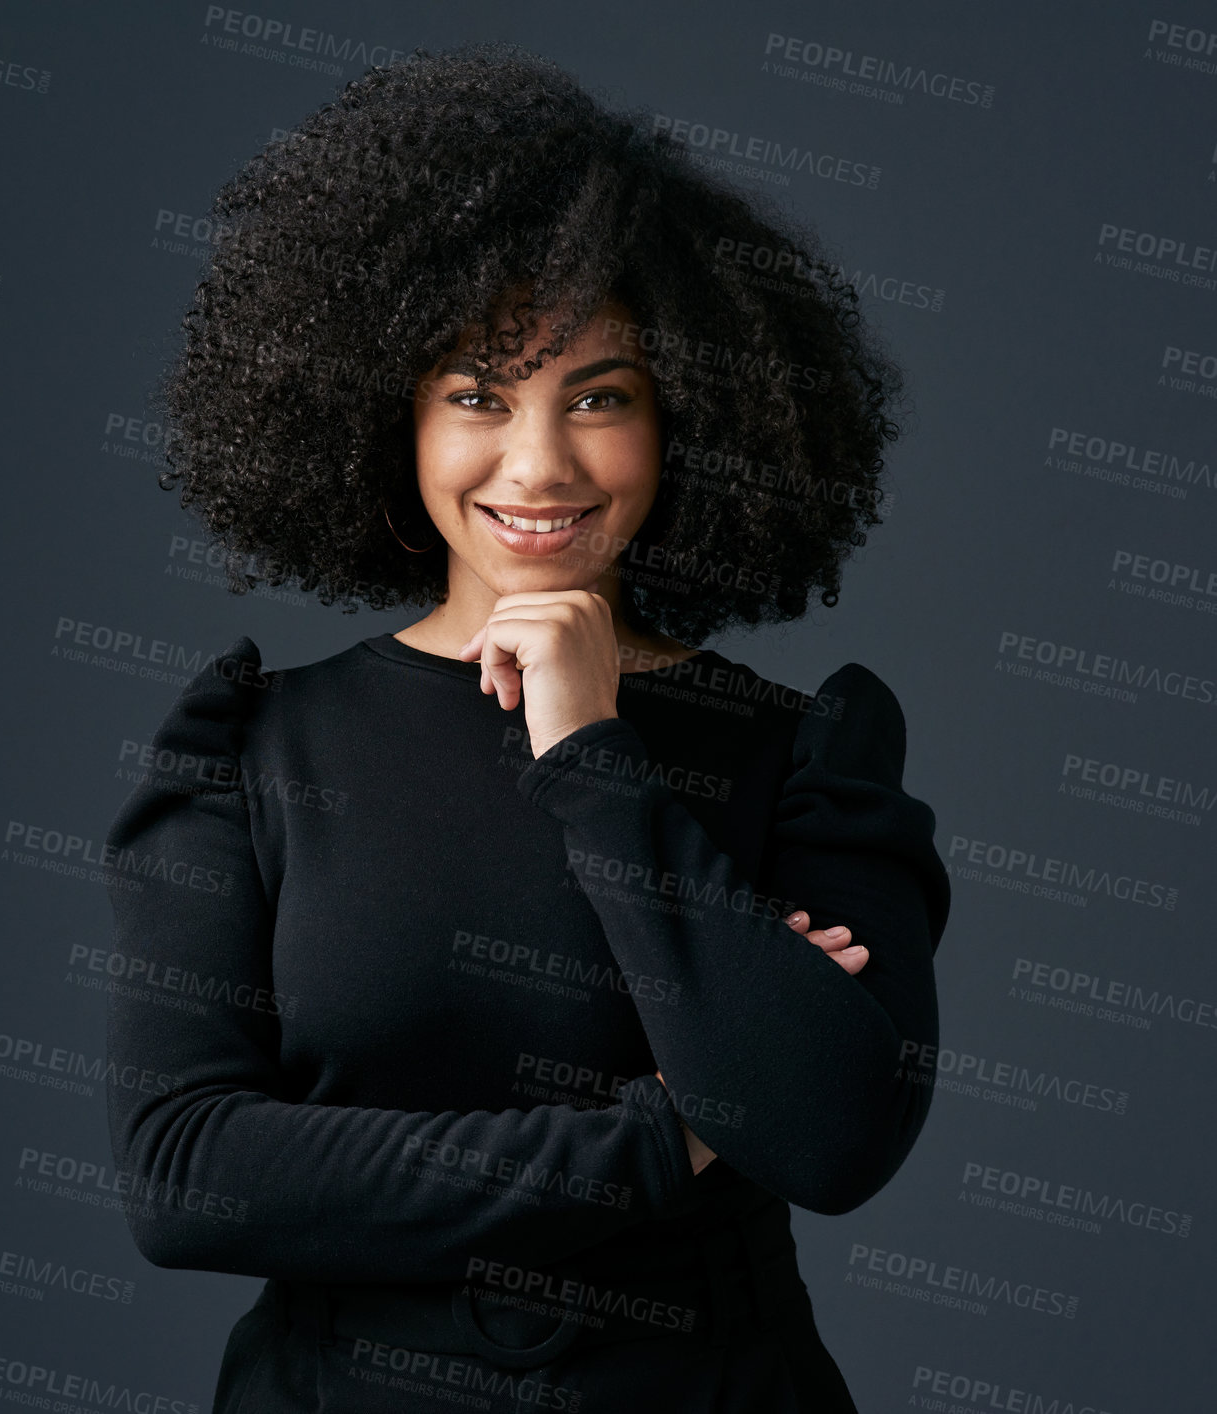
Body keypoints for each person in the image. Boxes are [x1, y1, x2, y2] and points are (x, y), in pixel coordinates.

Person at [102, 39, 951, 1414]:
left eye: (599, 395)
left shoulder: (804, 751)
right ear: (394, 422)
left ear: (685, 423)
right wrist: (666, 1129)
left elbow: (831, 1133)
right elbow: (185, 1177)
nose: (539, 462)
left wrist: (590, 750)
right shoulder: (251, 751)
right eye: (478, 393)